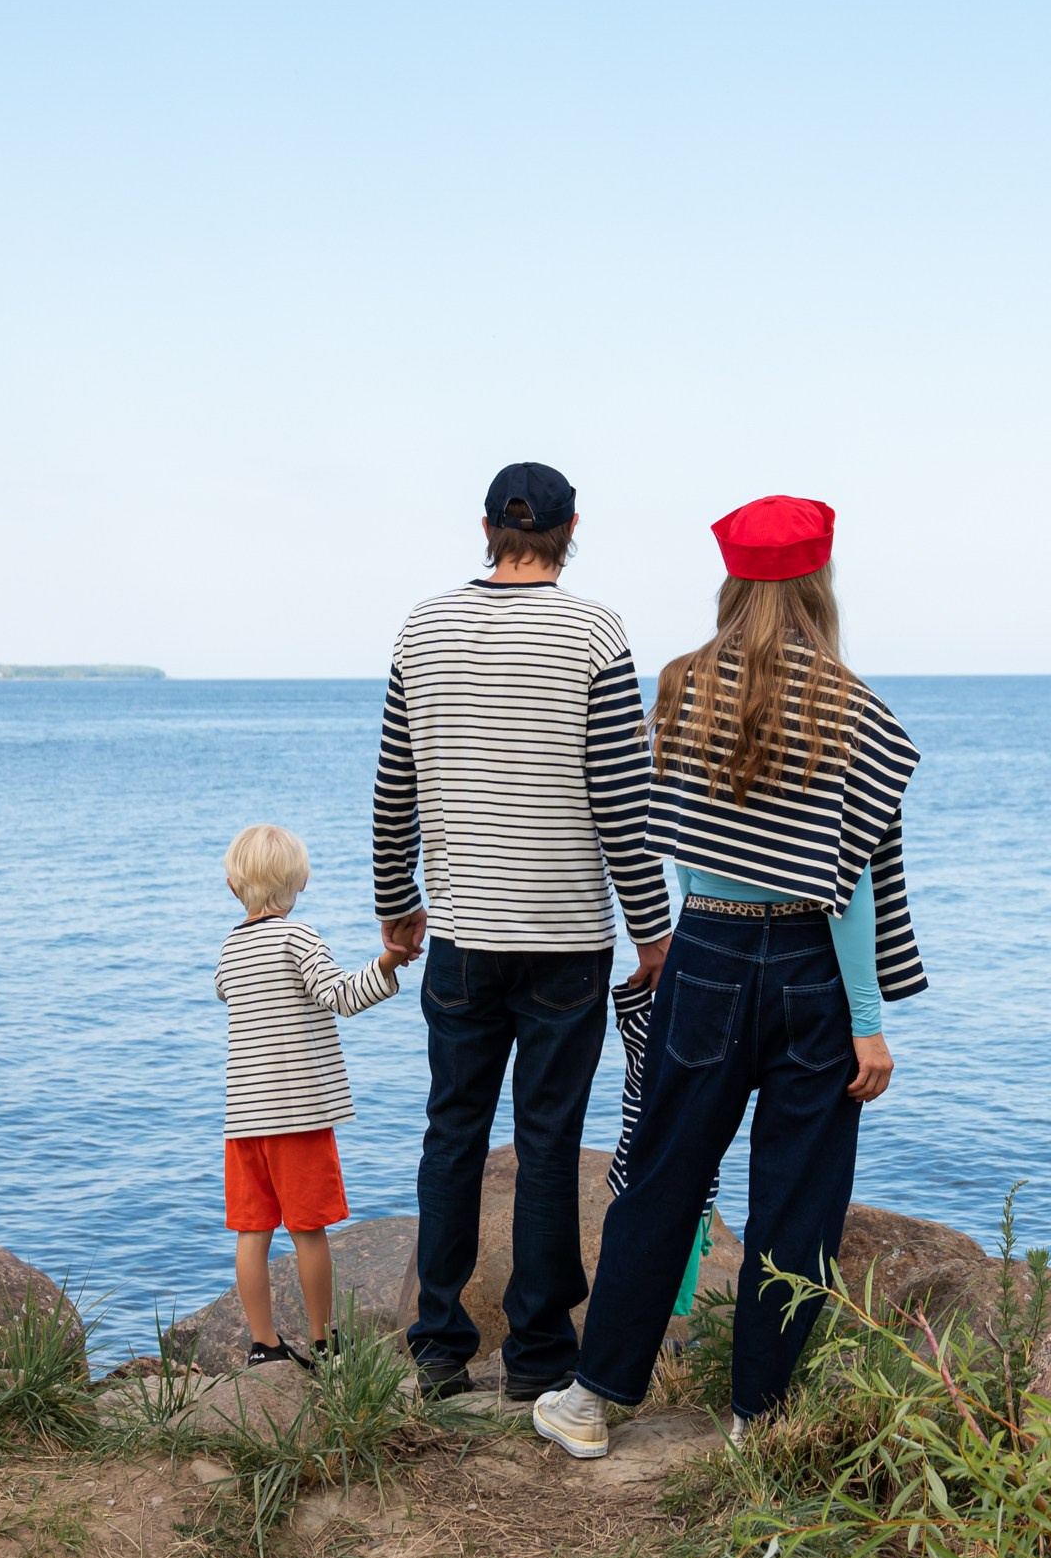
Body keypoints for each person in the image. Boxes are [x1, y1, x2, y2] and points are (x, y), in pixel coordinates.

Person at [534, 495, 926, 1459]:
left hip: (706, 949)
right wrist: (867, 1019)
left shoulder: (682, 686)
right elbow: (849, 883)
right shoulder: (852, 707)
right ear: (819, 581)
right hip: (810, 968)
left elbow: (684, 844)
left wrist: (695, 932)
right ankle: (761, 1414)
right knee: (797, 1199)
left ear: (733, 581)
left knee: (662, 1178)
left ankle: (591, 1400)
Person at [372, 462, 674, 1400]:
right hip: (565, 939)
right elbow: (622, 801)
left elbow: (394, 785)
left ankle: (438, 1346)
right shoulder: (595, 632)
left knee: (451, 1133)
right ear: (571, 529)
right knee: (547, 1140)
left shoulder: (422, 626)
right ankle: (539, 1353)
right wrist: (653, 930)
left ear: (486, 529)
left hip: (461, 934)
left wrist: (395, 897)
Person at [215, 823, 415, 1368]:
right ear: (301, 881)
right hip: (298, 1116)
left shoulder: (229, 947)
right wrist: (387, 964)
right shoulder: (298, 937)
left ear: (233, 888)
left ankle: (264, 1345)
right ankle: (324, 1343)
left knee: (251, 1232)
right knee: (308, 1232)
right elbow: (341, 996)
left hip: (244, 1121)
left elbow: (224, 991)